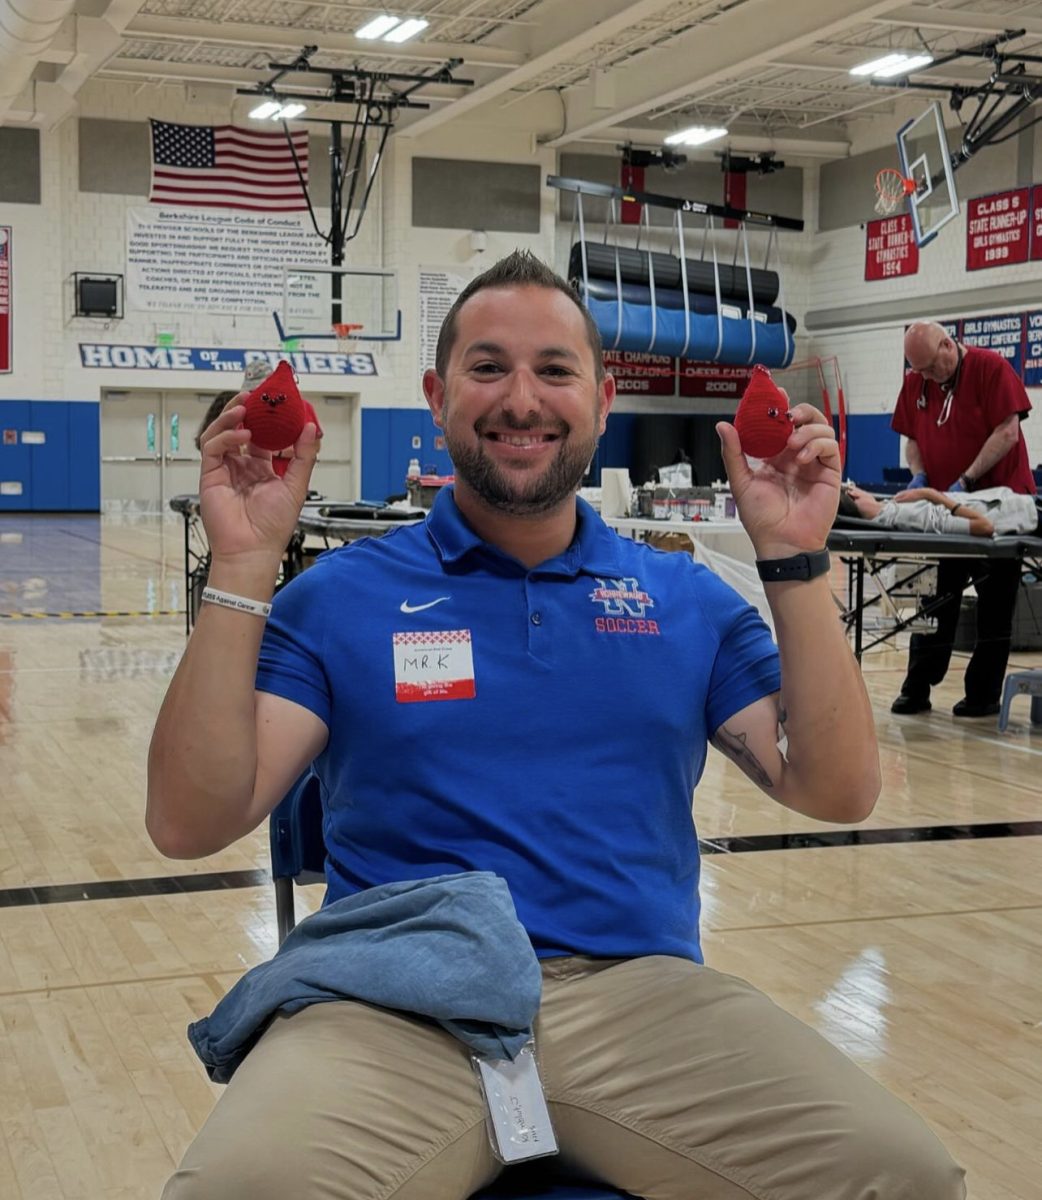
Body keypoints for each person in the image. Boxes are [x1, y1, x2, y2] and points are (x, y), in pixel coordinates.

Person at [148, 252, 964, 1200]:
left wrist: (792, 559)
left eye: (555, 370)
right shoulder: (341, 599)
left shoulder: (685, 599)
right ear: (436, 395)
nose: (521, 399)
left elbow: (836, 790)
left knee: (903, 1176)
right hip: (398, 1001)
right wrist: (245, 565)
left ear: (604, 398)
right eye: (488, 368)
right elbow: (190, 822)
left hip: (637, 1001)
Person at [890, 321, 1036, 717]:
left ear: (947, 345)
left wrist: (967, 479)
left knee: (994, 606)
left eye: (931, 369)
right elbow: (913, 440)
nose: (926, 378)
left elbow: (1008, 432)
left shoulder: (991, 368)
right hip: (945, 512)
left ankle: (982, 695)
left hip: (997, 509)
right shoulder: (918, 381)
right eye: (918, 371)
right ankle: (917, 686)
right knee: (933, 600)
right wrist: (919, 476)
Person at [838, 482, 1040, 539]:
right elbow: (984, 527)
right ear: (854, 495)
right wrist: (931, 494)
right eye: (854, 486)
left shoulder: (892, 508)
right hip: (1028, 514)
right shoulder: (905, 516)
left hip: (1021, 504)